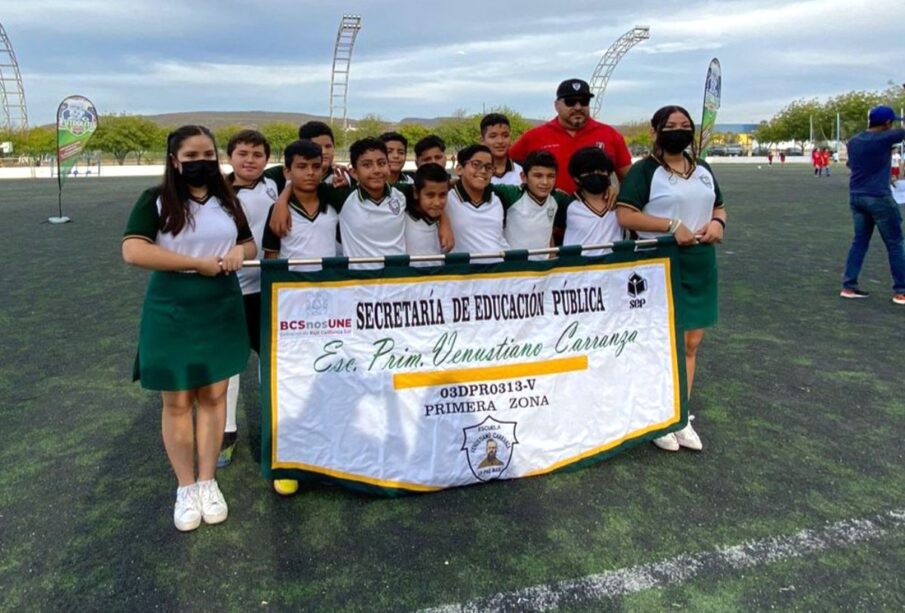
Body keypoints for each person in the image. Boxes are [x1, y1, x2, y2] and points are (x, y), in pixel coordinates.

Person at [122, 125, 255, 531]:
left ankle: (207, 480)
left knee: (215, 396)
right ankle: (185, 488)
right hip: (173, 307)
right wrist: (194, 264)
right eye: (192, 156)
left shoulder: (227, 200)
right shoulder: (156, 200)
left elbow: (248, 245)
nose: (202, 163)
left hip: (221, 306)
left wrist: (237, 251)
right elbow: (133, 249)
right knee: (177, 401)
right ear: (174, 161)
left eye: (208, 155)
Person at [615, 105, 726, 452]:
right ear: (655, 131)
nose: (679, 130)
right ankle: (655, 416)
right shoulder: (644, 172)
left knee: (691, 343)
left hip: (700, 262)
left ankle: (680, 414)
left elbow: (718, 206)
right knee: (660, 344)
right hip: (658, 264)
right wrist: (670, 226)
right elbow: (626, 215)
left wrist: (718, 224)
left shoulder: (704, 169)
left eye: (685, 125)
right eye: (671, 125)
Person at [219, 130, 278, 468]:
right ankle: (227, 432)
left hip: (270, 288)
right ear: (230, 157)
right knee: (230, 367)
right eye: (243, 153)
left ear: (267, 160)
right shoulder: (218, 194)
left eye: (257, 154)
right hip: (232, 290)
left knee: (272, 362)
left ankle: (276, 427)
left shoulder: (274, 185)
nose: (250, 160)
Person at [509, 78, 632, 193]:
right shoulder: (533, 137)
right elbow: (503, 167)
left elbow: (630, 181)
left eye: (584, 101)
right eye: (570, 102)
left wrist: (617, 194)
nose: (578, 107)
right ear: (556, 105)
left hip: (597, 214)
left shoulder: (611, 135)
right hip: (549, 214)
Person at [840, 105, 905, 304]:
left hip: (857, 196)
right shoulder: (884, 138)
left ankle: (849, 286)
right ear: (887, 123)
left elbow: (851, 165)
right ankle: (901, 290)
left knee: (860, 241)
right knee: (895, 243)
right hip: (878, 197)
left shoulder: (854, 141)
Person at [554, 146, 623, 256]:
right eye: (589, 172)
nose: (596, 174)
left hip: (615, 269)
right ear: (576, 177)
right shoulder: (566, 204)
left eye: (601, 171)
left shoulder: (621, 202)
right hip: (578, 270)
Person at [490, 150, 560, 259]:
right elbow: (481, 188)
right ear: (523, 177)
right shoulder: (511, 194)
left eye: (550, 176)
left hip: (543, 270)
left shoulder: (557, 198)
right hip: (514, 268)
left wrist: (552, 257)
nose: (545, 182)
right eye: (538, 176)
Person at [446, 144, 509, 257]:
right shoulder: (446, 199)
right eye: (476, 164)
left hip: (497, 270)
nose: (483, 171)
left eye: (489, 167)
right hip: (463, 271)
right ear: (459, 169)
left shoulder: (497, 200)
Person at [404, 163, 449, 266]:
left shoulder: (445, 219)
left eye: (442, 195)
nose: (437, 202)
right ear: (416, 192)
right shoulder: (402, 218)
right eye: (430, 195)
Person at [480, 112, 523, 185]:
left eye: (505, 136)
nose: (500, 141)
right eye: (493, 136)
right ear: (482, 140)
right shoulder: (475, 173)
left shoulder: (521, 172)